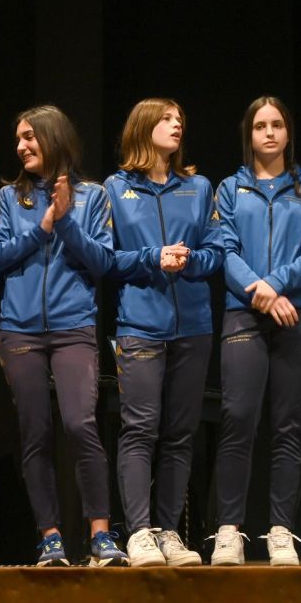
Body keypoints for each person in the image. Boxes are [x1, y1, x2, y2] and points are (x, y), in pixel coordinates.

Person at [0, 105, 128, 568]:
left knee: (80, 424)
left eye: (29, 137)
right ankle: (50, 538)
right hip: (19, 331)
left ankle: (101, 535)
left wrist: (65, 221)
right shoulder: (9, 198)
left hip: (73, 328)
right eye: (18, 138)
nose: (21, 146)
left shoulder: (94, 196)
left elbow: (102, 262)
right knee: (35, 433)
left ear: (53, 137)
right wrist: (42, 228)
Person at [212, 96, 301, 567]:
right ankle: (229, 531)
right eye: (260, 125)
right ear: (249, 134)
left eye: (277, 124)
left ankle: (281, 530)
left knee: (288, 423)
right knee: (238, 419)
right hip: (244, 311)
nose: (269, 133)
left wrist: (276, 284)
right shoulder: (229, 188)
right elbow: (224, 251)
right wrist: (259, 292)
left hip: (298, 312)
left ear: (287, 133)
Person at [103, 99, 223, 567]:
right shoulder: (116, 188)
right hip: (139, 327)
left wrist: (189, 260)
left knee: (180, 434)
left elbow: (217, 251)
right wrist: (152, 257)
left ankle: (169, 531)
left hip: (194, 326)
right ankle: (139, 533)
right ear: (143, 127)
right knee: (140, 429)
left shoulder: (197, 187)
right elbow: (106, 259)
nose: (177, 126)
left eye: (180, 120)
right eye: (167, 119)